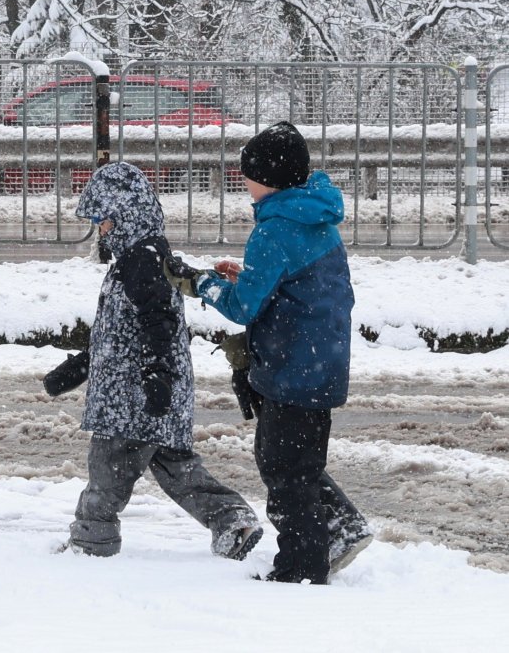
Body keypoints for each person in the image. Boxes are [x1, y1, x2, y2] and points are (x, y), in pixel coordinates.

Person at [164, 121, 373, 584]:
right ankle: (343, 527)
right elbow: (302, 288)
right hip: (321, 362)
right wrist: (248, 277)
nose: (245, 184)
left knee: (284, 471)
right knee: (299, 462)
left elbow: (243, 308)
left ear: (268, 178)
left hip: (290, 368)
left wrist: (202, 284)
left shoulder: (274, 230)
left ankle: (301, 569)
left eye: (248, 177)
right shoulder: (315, 216)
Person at [55, 161, 263, 561]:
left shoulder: (140, 262)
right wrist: (81, 367)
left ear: (125, 217)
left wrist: (157, 375)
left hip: (134, 396)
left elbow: (159, 323)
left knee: (108, 469)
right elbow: (123, 333)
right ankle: (232, 521)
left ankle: (91, 541)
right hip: (148, 391)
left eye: (103, 220)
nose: (100, 229)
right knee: (176, 468)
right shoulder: (146, 256)